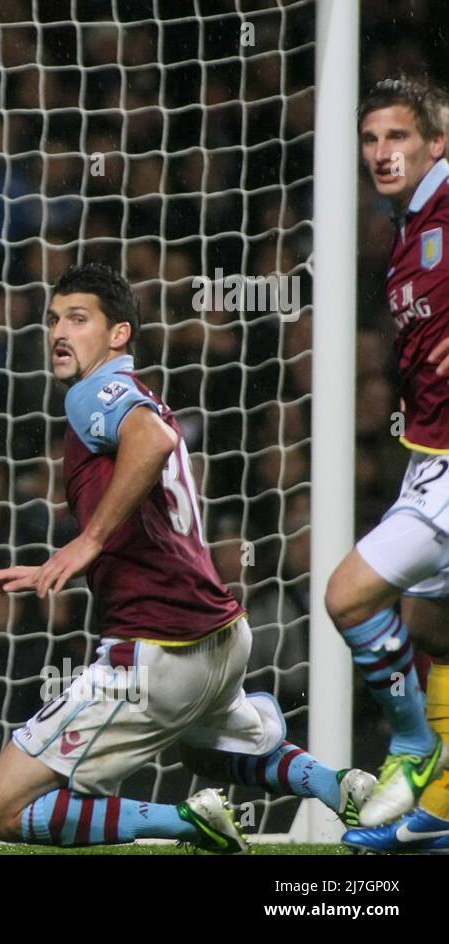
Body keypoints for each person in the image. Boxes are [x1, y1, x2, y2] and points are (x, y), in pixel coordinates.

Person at [0, 264, 373, 851]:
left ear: (119, 335)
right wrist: (61, 560)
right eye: (53, 319)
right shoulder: (145, 398)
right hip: (219, 635)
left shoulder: (96, 393)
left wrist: (88, 542)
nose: (59, 331)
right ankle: (340, 786)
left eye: (78, 319)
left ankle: (183, 822)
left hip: (155, 647)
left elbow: (152, 443)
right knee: (199, 745)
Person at [336, 77, 449, 852]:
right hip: (428, 457)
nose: (382, 153)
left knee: (349, 597)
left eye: (399, 137)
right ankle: (439, 815)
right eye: (371, 139)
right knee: (430, 630)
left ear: (436, 142)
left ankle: (412, 751)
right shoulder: (407, 226)